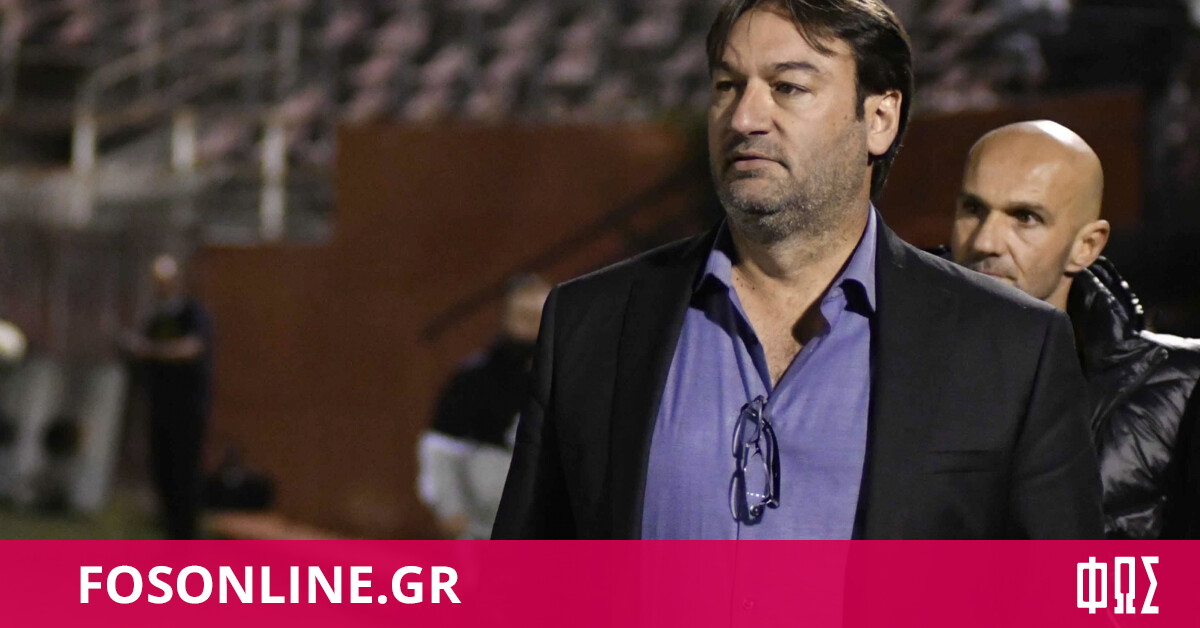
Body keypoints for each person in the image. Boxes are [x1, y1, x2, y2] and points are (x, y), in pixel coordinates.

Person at [493, 0, 1102, 540]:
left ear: (880, 119)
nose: (744, 118)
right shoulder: (591, 323)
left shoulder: (1012, 347)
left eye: (788, 87)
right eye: (728, 85)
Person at [948, 120, 1200, 538]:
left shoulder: (1182, 389)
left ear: (1086, 246)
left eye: (1024, 217)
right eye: (973, 209)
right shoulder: (887, 355)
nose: (984, 242)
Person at [417, 275, 550, 539]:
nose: (533, 327)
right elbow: (440, 447)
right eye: (525, 317)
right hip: (483, 529)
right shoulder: (475, 378)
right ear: (506, 318)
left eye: (540, 317)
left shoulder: (571, 377)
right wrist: (450, 508)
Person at [120, 254, 214, 539]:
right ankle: (169, 531)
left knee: (184, 470)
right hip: (159, 404)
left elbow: (193, 347)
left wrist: (152, 351)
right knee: (162, 469)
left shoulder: (191, 312)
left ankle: (186, 534)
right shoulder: (156, 317)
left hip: (187, 407)